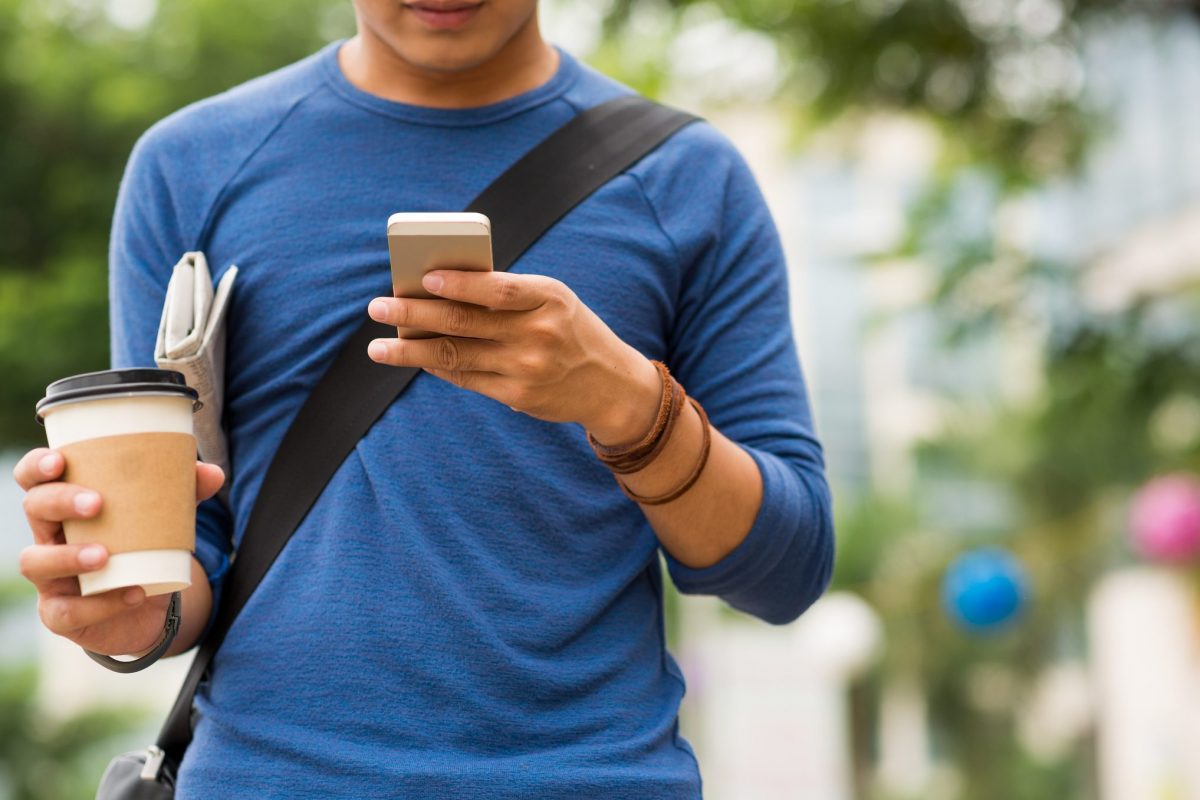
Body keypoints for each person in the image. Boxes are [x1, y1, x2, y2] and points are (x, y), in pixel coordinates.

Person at [11, 0, 834, 796]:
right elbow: (190, 551)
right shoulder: (190, 166)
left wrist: (629, 406)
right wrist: (126, 615)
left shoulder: (691, 180)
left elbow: (787, 572)